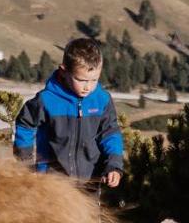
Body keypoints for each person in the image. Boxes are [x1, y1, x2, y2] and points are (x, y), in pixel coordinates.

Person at [11, 37, 125, 188]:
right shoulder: (46, 100)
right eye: (81, 80)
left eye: (94, 80)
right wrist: (25, 164)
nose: (88, 87)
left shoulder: (102, 99)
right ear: (64, 71)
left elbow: (110, 133)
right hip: (52, 182)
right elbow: (25, 125)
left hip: (90, 180)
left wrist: (114, 165)